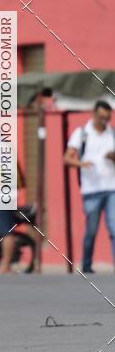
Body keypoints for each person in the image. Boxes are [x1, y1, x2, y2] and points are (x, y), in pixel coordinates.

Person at [64, 100, 115, 274]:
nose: (104, 121)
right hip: (91, 190)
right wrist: (81, 163)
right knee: (91, 230)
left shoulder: (112, 134)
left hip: (111, 188)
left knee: (114, 227)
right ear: (94, 114)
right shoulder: (82, 133)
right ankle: (86, 265)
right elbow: (67, 158)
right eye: (101, 117)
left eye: (107, 118)